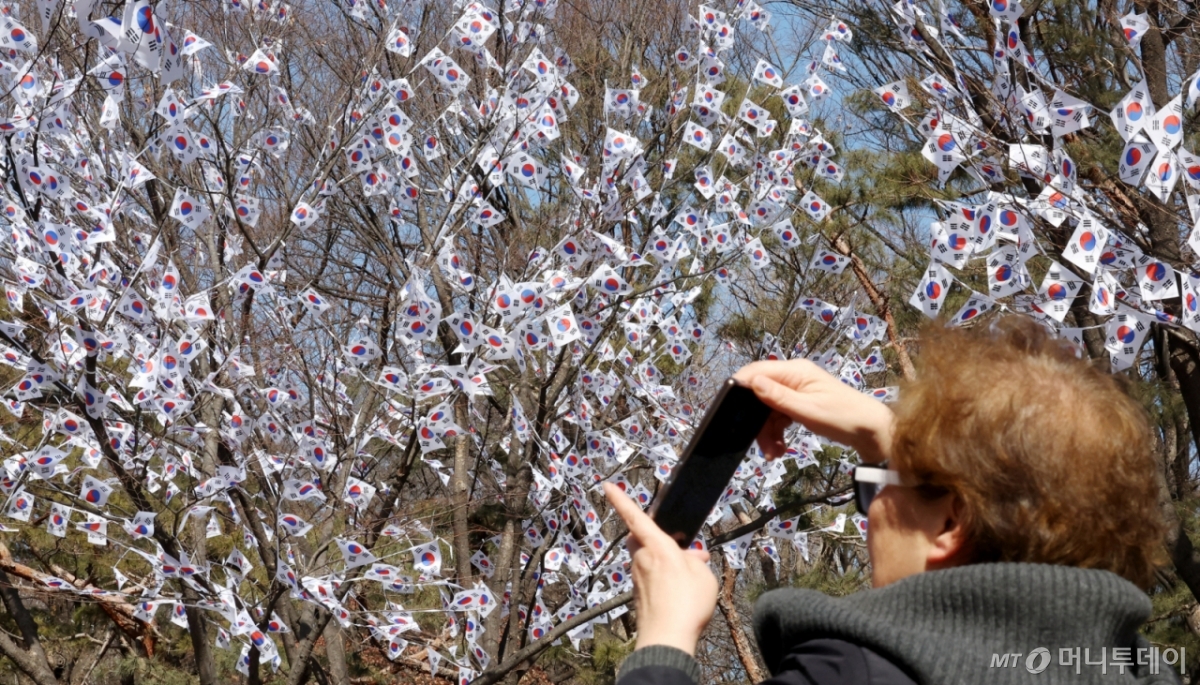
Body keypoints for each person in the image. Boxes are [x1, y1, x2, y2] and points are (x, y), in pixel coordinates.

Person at [604, 318, 1180, 685]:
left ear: (951, 521)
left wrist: (664, 642)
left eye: (878, 487)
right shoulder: (1135, 670)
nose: (870, 513)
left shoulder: (857, 673)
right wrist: (905, 445)